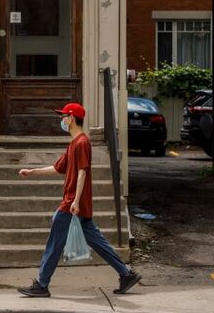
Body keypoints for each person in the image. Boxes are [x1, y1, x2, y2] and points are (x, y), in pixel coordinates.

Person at [16, 102, 141, 297]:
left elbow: (83, 172)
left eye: (63, 116)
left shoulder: (82, 143)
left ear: (72, 118)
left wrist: (75, 201)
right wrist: (32, 172)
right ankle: (126, 274)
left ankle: (41, 284)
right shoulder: (74, 143)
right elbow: (57, 168)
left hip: (72, 204)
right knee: (98, 242)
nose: (62, 120)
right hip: (79, 204)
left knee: (54, 243)